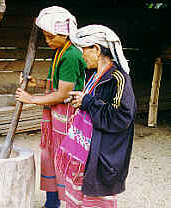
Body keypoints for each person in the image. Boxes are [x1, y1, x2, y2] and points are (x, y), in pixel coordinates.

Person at [57, 25, 136, 207]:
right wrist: (81, 102)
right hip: (88, 152)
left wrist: (88, 102)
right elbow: (92, 105)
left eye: (84, 50)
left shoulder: (118, 78)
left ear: (97, 50)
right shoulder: (94, 75)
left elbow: (120, 117)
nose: (82, 56)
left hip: (103, 155)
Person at [15, 6, 86, 208]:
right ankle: (52, 201)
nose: (47, 41)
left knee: (65, 157)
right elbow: (57, 84)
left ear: (64, 34)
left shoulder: (71, 55)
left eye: (51, 36)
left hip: (68, 116)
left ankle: (71, 201)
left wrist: (31, 99)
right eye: (45, 36)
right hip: (56, 116)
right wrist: (36, 83)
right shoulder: (60, 51)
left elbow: (64, 93)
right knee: (51, 156)